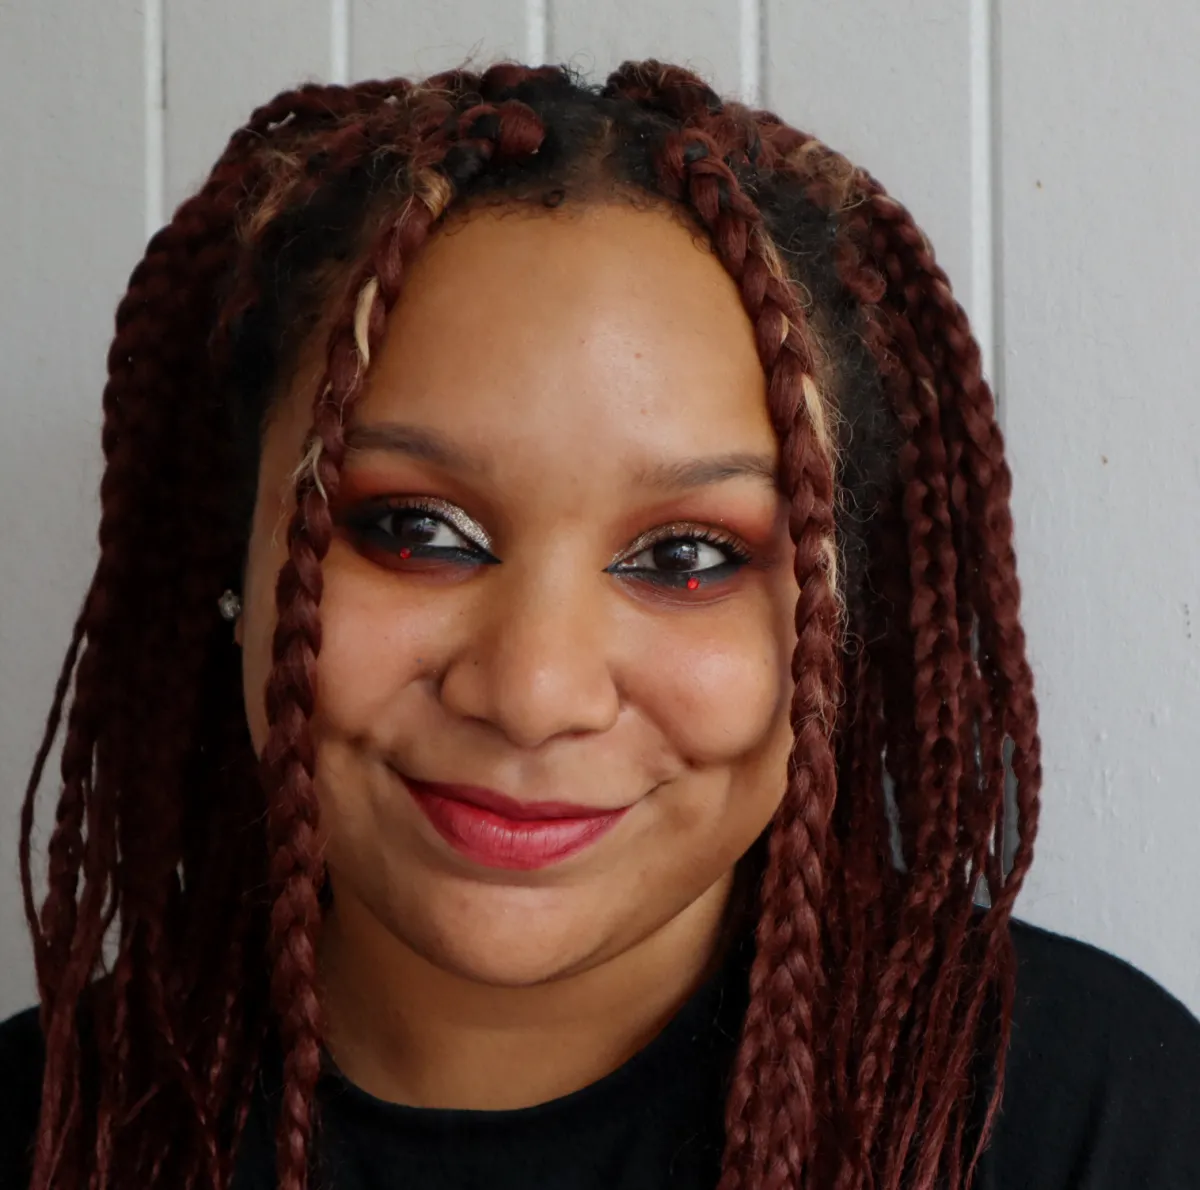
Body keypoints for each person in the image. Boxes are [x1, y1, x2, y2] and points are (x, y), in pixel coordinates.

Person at [1, 57, 1198, 1190]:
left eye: (687, 556)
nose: (533, 689)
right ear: (239, 556)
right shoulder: (52, 1127)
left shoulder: (1084, 1118)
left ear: (839, 619)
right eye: (415, 530)